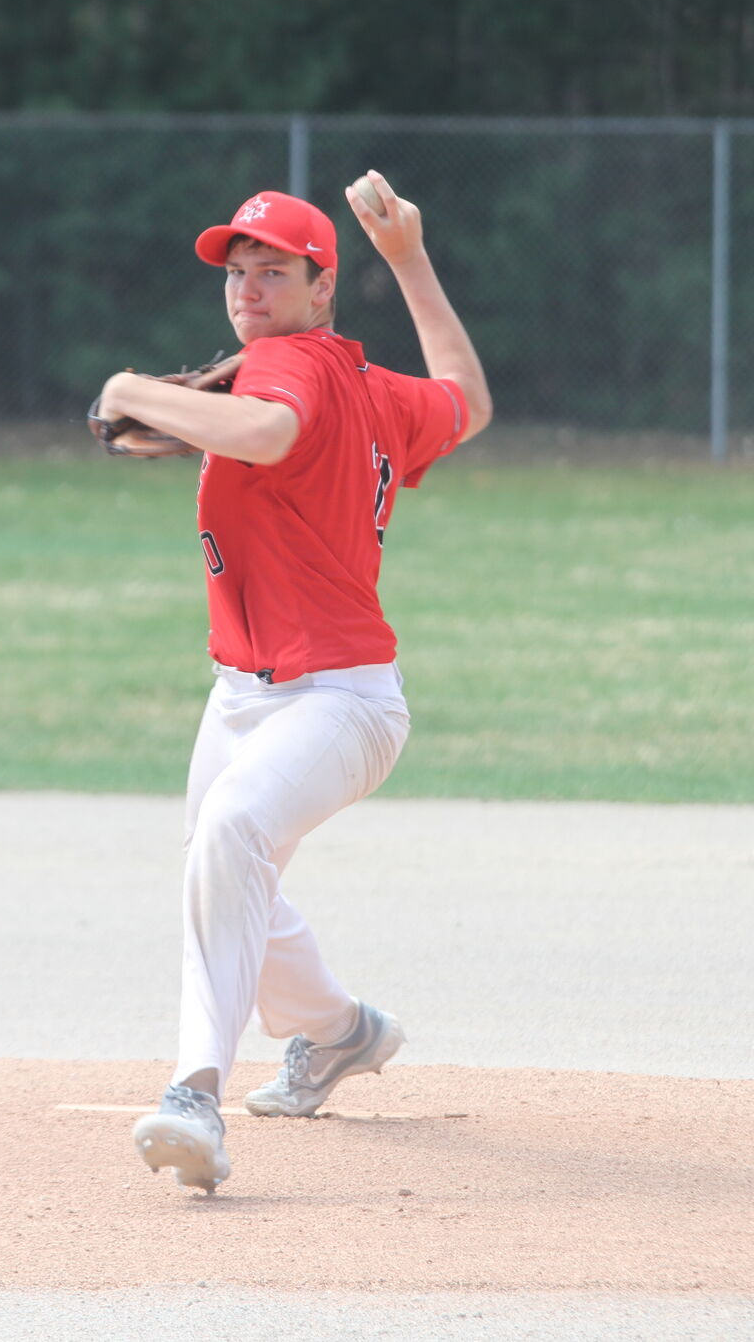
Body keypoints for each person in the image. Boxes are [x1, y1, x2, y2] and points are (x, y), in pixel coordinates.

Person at [95, 176, 493, 1192]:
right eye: (236, 271)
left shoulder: (286, 368)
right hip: (244, 697)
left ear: (322, 289)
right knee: (222, 871)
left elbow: (269, 432)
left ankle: (193, 1093)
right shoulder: (364, 386)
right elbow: (466, 396)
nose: (247, 288)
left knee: (228, 835)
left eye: (273, 270)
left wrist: (130, 387)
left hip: (338, 699)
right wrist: (409, 255)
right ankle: (338, 1032)